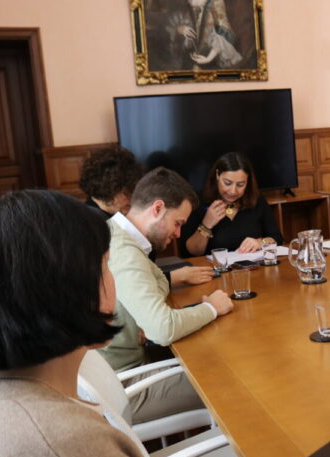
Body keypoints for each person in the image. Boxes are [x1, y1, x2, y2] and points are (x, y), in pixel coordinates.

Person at [0, 189, 261, 457]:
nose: (114, 280)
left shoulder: (2, 398)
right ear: (66, 290)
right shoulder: (68, 444)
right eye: (106, 267)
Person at [101, 167, 234, 424]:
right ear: (157, 208)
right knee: (231, 375)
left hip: (122, 368)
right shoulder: (126, 252)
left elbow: (149, 289)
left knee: (214, 354)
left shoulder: (115, 233)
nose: (178, 234)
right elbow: (162, 329)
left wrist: (141, 318)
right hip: (126, 387)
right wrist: (212, 308)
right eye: (178, 223)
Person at [80, 144, 215, 287]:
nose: (133, 198)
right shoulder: (97, 225)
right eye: (129, 192)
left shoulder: (104, 212)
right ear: (113, 190)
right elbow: (128, 281)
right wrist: (174, 277)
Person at [181, 152, 283, 256]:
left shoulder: (257, 200)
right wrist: (206, 225)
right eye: (227, 183)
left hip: (253, 269)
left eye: (240, 184)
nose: (233, 191)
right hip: (215, 269)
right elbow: (191, 252)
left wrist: (260, 242)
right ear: (217, 175)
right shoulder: (197, 202)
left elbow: (277, 238)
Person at [80, 144, 145, 217]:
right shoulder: (94, 220)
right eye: (129, 191)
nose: (133, 197)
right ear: (112, 192)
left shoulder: (105, 207)